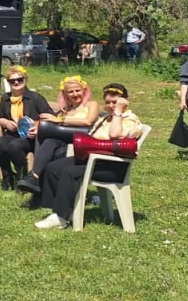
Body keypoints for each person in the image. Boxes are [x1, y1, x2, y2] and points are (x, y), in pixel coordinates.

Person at [35, 83, 143, 229]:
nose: (111, 106)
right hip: (94, 160)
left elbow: (114, 134)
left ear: (125, 101)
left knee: (69, 172)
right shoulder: (107, 118)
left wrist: (118, 111)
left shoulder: (130, 119)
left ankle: (60, 217)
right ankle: (61, 210)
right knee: (53, 168)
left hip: (112, 166)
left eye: (115, 102)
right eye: (108, 102)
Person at [16, 75, 100, 194]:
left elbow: (88, 121)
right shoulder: (66, 110)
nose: (75, 94)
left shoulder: (92, 104)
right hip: (63, 140)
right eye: (70, 92)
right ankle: (35, 179)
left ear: (84, 91)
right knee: (49, 140)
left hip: (82, 140)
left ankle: (34, 177)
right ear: (65, 95)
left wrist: (60, 120)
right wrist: (38, 128)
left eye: (78, 90)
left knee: (50, 139)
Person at [0, 66, 54, 190]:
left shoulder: (35, 98)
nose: (16, 82)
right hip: (13, 134)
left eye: (20, 79)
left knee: (15, 146)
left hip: (31, 137)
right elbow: (1, 116)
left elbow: (50, 117)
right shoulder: (5, 98)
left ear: (25, 80)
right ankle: (7, 177)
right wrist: (4, 122)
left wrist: (37, 127)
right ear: (8, 83)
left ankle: (22, 178)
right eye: (12, 81)